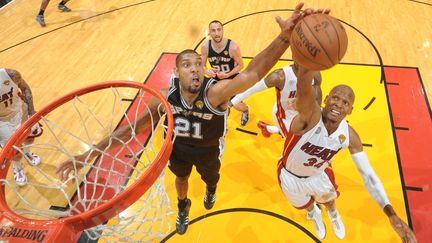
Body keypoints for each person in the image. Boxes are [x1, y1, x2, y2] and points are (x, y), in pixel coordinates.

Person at [56, 2, 328, 235]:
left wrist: (284, 38)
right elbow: (127, 132)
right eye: (187, 65)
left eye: (198, 64)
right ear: (177, 72)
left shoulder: (215, 94)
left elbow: (254, 72)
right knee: (181, 181)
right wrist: (88, 154)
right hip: (179, 150)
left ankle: (210, 190)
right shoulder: (162, 100)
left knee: (212, 179)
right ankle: (183, 206)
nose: (195, 69)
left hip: (210, 149)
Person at [267, 64, 416, 242]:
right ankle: (314, 213)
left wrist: (390, 213)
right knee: (305, 205)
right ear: (325, 99)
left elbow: (368, 176)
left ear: (350, 109)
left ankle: (333, 214)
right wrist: (308, 60)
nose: (338, 104)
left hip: (317, 175)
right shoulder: (309, 117)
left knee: (329, 200)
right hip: (289, 177)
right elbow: (307, 91)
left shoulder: (349, 136)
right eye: (335, 98)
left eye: (345, 103)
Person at [230, 61, 322, 137]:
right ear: (294, 56)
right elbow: (252, 89)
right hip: (284, 114)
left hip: (302, 111)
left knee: (312, 135)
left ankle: (267, 128)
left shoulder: (315, 74)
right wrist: (230, 103)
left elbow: (317, 94)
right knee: (293, 139)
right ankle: (272, 129)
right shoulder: (280, 77)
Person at [201, 20, 250, 126]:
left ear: (222, 30)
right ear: (209, 32)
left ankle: (245, 110)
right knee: (214, 103)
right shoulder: (205, 47)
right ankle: (223, 122)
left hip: (231, 78)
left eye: (219, 30)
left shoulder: (233, 47)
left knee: (236, 105)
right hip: (217, 79)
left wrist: (227, 74)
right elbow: (202, 65)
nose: (216, 33)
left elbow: (241, 65)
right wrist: (207, 71)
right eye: (213, 30)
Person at [0, 68, 42, 186]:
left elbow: (25, 88)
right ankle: (17, 167)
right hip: (2, 122)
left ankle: (27, 152)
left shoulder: (10, 74)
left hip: (20, 111)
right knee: (15, 152)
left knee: (30, 137)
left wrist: (31, 111)